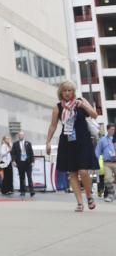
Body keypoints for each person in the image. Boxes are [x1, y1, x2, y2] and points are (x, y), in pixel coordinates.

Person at [45, 80, 100, 211]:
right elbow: (53, 126)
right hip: (67, 141)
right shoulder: (58, 107)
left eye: (70, 90)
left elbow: (95, 115)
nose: (67, 93)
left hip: (83, 140)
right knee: (72, 173)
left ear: (73, 92)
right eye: (65, 91)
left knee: (83, 171)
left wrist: (84, 106)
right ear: (61, 93)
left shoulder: (81, 101)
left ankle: (89, 196)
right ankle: (80, 203)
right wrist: (47, 141)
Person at [95, 123, 116, 202]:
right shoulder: (102, 140)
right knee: (107, 179)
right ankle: (111, 194)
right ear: (108, 130)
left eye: (114, 129)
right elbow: (97, 152)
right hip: (107, 162)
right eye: (111, 129)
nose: (113, 131)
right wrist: (95, 162)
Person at [11, 132, 34, 197]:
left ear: (24, 136)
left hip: (28, 162)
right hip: (20, 162)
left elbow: (31, 153)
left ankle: (31, 191)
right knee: (22, 177)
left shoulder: (28, 143)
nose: (20, 136)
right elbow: (13, 153)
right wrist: (13, 161)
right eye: (19, 135)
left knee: (29, 177)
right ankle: (22, 191)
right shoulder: (15, 144)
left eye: (21, 135)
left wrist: (32, 161)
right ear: (18, 136)